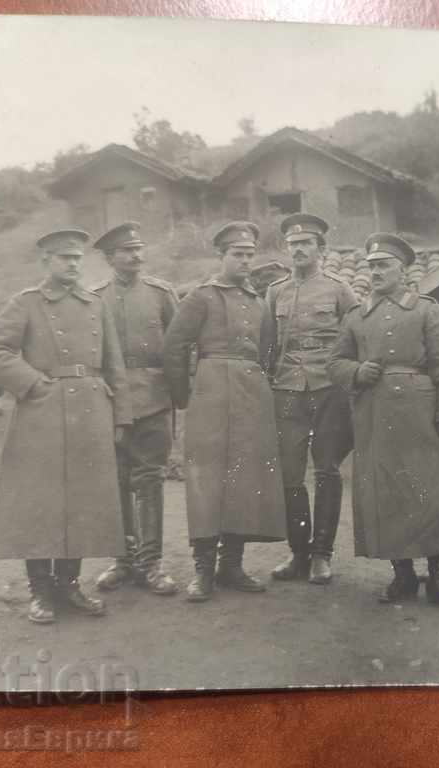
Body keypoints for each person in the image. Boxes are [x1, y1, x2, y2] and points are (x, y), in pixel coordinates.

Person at [0, 229, 130, 625]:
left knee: (82, 502)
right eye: (65, 258)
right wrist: (33, 382)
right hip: (41, 413)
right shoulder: (26, 303)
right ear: (46, 260)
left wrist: (121, 414)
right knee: (39, 503)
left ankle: (69, 585)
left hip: (91, 411)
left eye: (78, 258)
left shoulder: (95, 304)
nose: (74, 264)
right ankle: (41, 592)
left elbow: (115, 364)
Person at [328, 232, 439, 610]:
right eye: (371, 265)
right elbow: (335, 363)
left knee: (432, 492)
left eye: (383, 265)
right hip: (374, 416)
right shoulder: (356, 316)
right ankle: (402, 575)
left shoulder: (426, 309)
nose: (375, 272)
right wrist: (357, 371)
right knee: (386, 493)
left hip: (420, 415)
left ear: (403, 271)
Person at [162, 221, 287, 602]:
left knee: (244, 479)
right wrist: (185, 396)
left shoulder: (258, 301)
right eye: (238, 254)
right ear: (222, 256)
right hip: (211, 391)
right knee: (207, 478)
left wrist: (258, 384)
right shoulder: (202, 296)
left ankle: (231, 565)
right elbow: (174, 346)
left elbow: (267, 351)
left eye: (250, 254)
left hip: (252, 393)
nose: (245, 260)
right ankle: (203, 569)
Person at [266, 213, 358, 585]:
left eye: (306, 244)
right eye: (293, 244)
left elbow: (355, 340)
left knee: (327, 471)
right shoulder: (276, 291)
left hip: (328, 387)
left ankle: (322, 554)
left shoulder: (339, 289)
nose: (299, 249)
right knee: (289, 475)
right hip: (287, 388)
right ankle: (298, 554)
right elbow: (267, 345)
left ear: (321, 249)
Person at [90, 222, 179, 596]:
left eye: (139, 249)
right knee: (116, 481)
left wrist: (178, 394)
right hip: (110, 399)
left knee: (150, 480)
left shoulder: (161, 294)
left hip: (154, 399)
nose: (136, 256)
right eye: (127, 251)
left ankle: (151, 563)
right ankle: (123, 560)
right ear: (110, 259)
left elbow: (179, 347)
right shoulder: (94, 298)